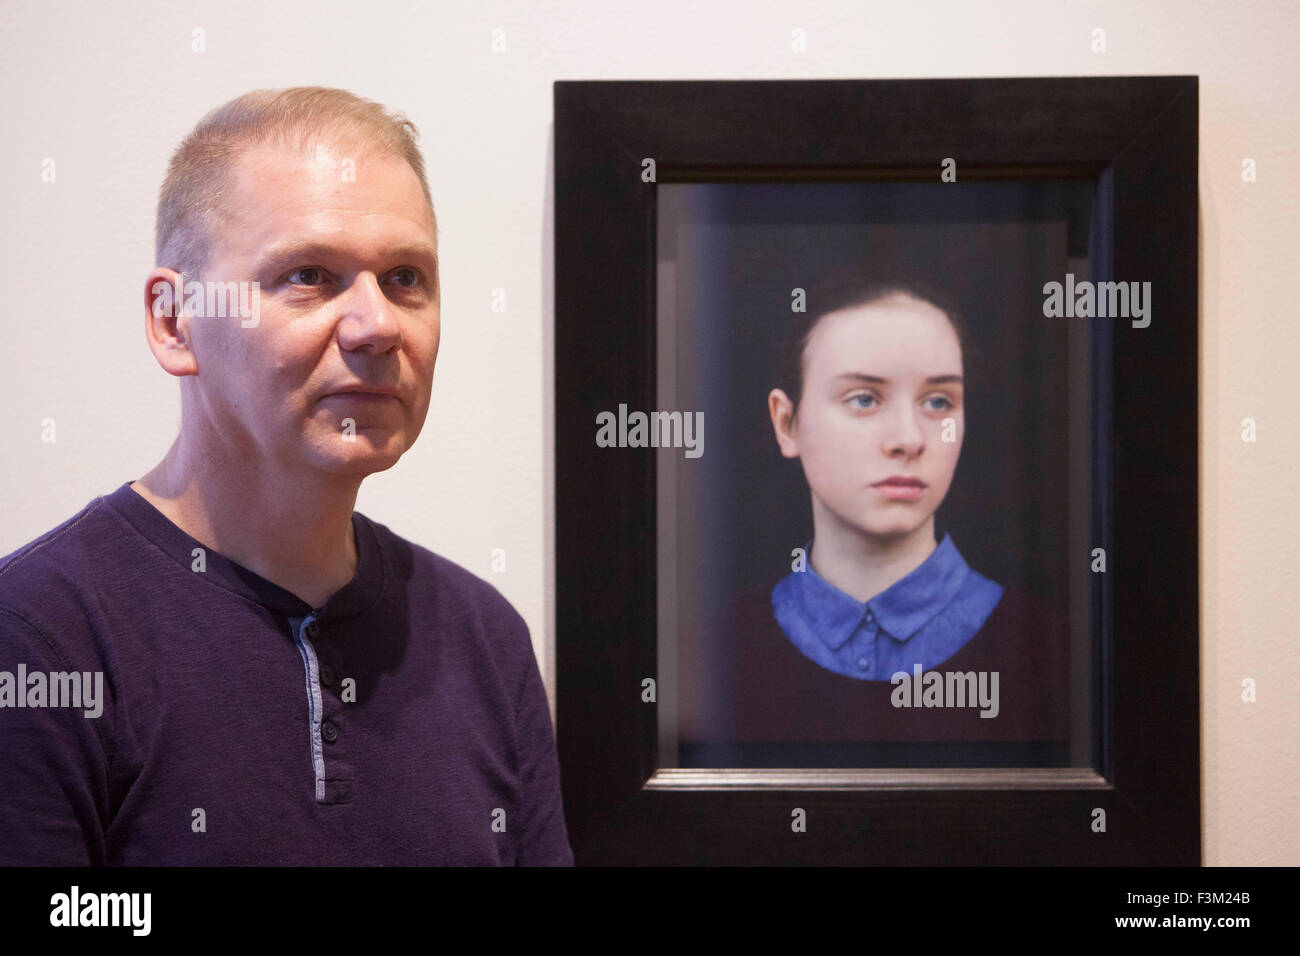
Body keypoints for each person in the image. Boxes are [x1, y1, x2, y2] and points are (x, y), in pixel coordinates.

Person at [0, 87, 573, 864]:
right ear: (175, 322)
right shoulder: (39, 640)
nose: (377, 325)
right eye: (308, 274)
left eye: (406, 277)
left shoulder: (482, 637)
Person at [685, 268, 1069, 767]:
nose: (908, 438)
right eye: (863, 399)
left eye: (939, 402)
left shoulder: (1048, 651)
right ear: (788, 423)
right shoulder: (712, 655)